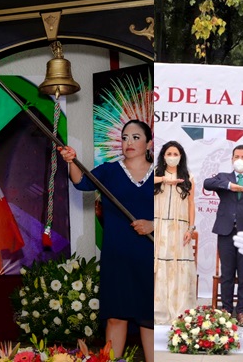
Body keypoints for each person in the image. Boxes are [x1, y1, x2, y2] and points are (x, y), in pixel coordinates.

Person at [58, 119, 154, 362]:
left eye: (135, 137)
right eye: (124, 138)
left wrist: (153, 225)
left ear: (149, 142)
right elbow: (81, 182)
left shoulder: (161, 175)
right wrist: (71, 161)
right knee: (115, 316)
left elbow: (176, 215)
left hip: (150, 257)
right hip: (117, 256)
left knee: (149, 318)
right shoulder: (110, 171)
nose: (129, 142)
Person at [203, 144, 243, 327]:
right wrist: (230, 186)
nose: (240, 160)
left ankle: (241, 312)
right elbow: (207, 183)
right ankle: (226, 311)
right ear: (232, 159)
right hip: (226, 231)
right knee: (227, 274)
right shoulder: (224, 178)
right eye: (236, 156)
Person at [153, 140, 196, 324]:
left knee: (179, 266)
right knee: (159, 265)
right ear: (163, 156)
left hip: (180, 229)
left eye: (175, 154)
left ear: (181, 157)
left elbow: (191, 204)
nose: (172, 157)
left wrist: (190, 228)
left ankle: (179, 310)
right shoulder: (155, 174)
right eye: (169, 154)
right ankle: (157, 311)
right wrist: (164, 179)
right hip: (159, 227)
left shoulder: (188, 177)